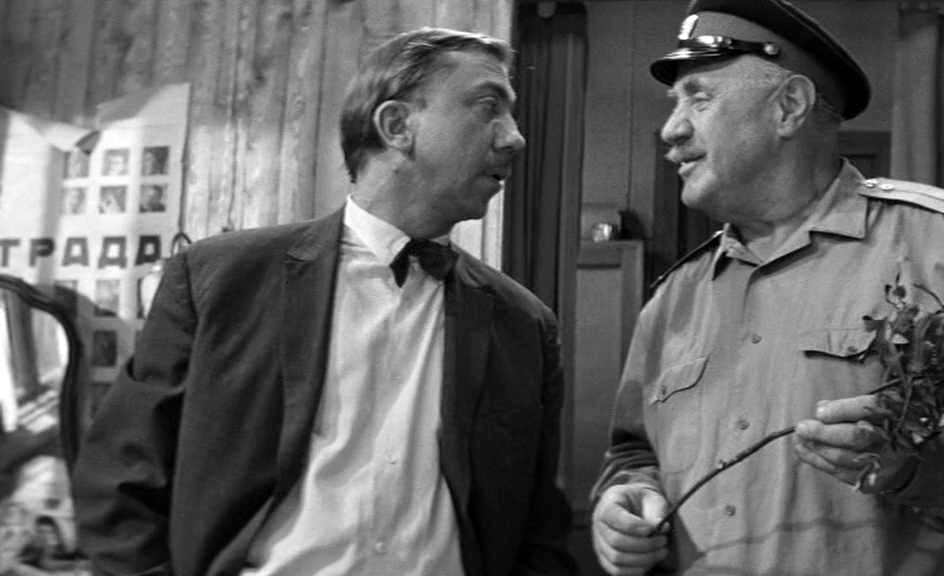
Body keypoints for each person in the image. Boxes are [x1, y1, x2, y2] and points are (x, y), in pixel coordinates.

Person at [590, 1, 944, 574]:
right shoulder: (673, 297)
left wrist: (915, 471)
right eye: (675, 104)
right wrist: (625, 499)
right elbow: (633, 451)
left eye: (699, 97)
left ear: (789, 106)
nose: (671, 129)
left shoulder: (943, 249)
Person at [72, 27, 576, 576]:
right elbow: (119, 480)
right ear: (397, 126)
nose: (515, 138)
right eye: (488, 107)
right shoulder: (218, 280)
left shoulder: (526, 326)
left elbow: (539, 532)